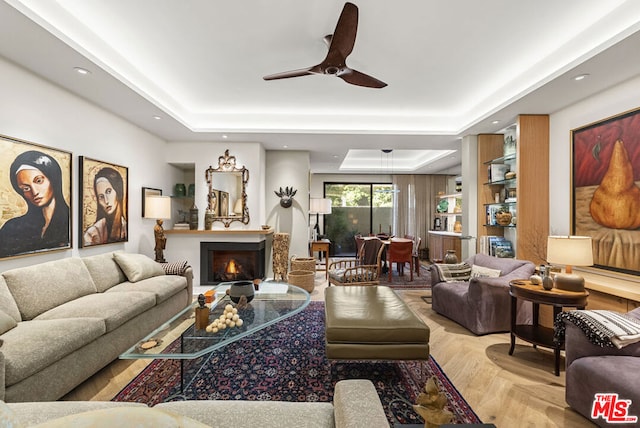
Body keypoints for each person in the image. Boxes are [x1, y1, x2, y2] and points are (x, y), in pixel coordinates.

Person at [0, 150, 70, 257]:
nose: (34, 192)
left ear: (53, 179)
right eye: (26, 188)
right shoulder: (11, 229)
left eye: (38, 181)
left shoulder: (72, 222)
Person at [83, 167, 127, 246]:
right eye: (101, 196)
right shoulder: (93, 233)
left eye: (109, 192)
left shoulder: (126, 228)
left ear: (118, 192)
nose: (106, 201)